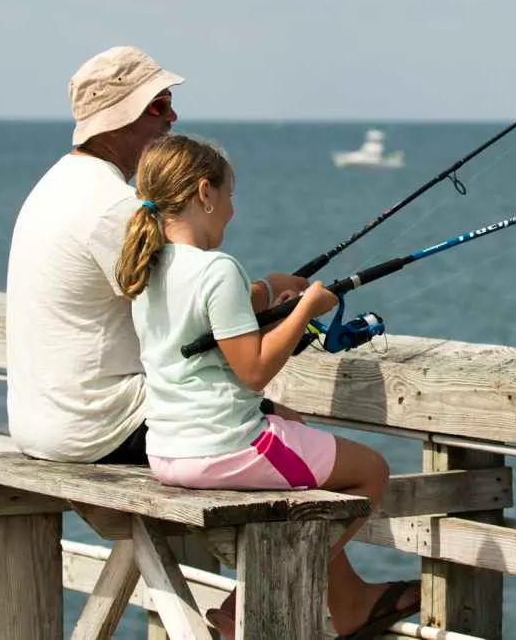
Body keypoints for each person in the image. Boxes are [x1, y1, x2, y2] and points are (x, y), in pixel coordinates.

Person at [115, 132, 420, 640]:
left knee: (294, 427)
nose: (232, 210)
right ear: (204, 193)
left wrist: (268, 292)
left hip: (166, 448)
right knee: (371, 472)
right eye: (229, 195)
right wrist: (306, 308)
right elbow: (253, 371)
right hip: (224, 446)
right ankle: (246, 600)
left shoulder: (148, 265)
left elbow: (208, 327)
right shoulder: (218, 269)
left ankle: (346, 601)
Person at [5, 46, 308, 465]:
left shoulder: (55, 184)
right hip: (99, 426)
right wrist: (271, 292)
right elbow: (195, 303)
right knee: (293, 431)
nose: (173, 117)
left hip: (40, 424)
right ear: (118, 117)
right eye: (159, 106)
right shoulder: (113, 206)